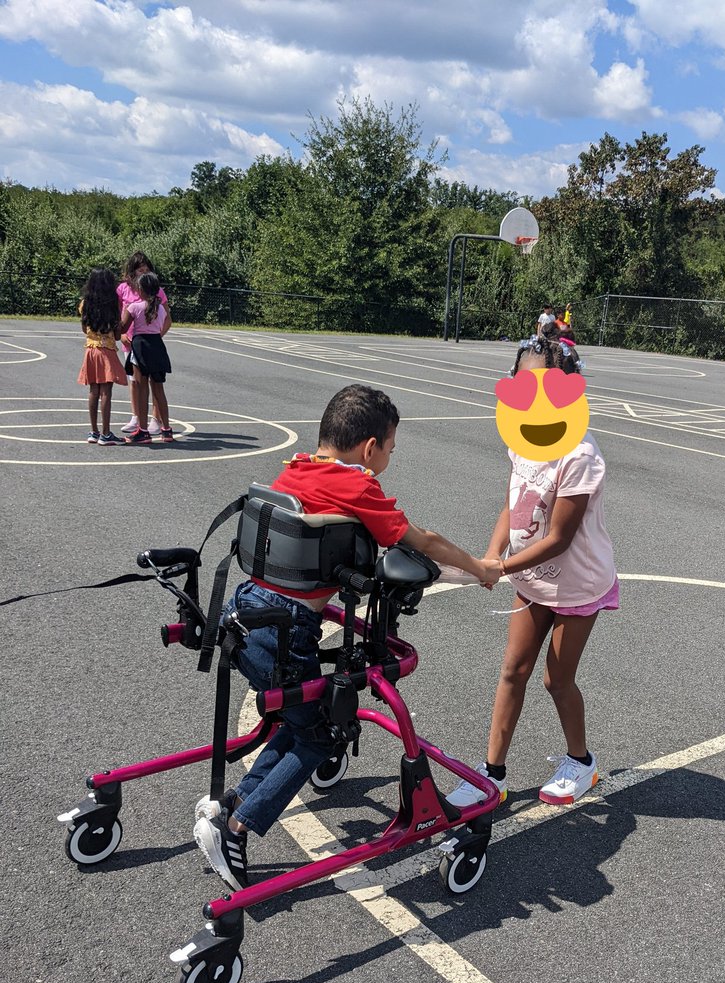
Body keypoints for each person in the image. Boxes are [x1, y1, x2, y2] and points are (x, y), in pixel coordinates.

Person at [192, 384, 504, 890]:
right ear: (369, 448)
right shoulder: (359, 488)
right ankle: (236, 826)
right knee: (320, 734)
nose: (388, 461)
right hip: (286, 630)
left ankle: (231, 805)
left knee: (303, 721)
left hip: (243, 612)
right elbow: (422, 542)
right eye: (390, 450)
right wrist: (480, 567)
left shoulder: (294, 469)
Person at [446, 338, 617, 809]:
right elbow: (512, 503)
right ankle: (492, 775)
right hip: (531, 577)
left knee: (556, 680)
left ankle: (581, 762)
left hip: (576, 582)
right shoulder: (523, 438)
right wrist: (491, 553)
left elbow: (559, 536)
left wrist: (497, 566)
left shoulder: (580, 454)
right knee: (512, 671)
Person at [117, 253, 170, 436]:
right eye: (140, 270)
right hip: (148, 345)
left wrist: (113, 331)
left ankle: (147, 426)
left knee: (143, 386)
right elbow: (165, 320)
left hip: (141, 345)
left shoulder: (137, 305)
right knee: (151, 385)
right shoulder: (158, 306)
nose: (143, 272)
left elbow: (122, 325)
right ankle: (161, 427)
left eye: (146, 270)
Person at [77, 268, 128, 445]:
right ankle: (106, 433)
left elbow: (84, 329)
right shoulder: (112, 306)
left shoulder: (85, 303)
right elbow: (116, 335)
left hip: (90, 350)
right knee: (106, 391)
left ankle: (94, 431)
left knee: (93, 391)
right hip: (106, 350)